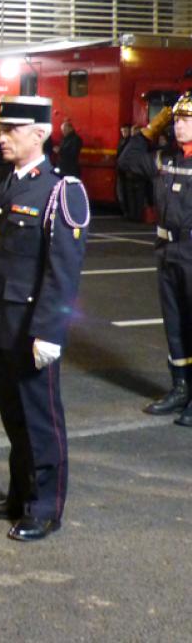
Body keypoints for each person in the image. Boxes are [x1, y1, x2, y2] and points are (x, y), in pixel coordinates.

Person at [0, 95, 89, 541]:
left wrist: (50, 331)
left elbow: (62, 270)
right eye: (1, 129)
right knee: (13, 416)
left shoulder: (60, 190)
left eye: (11, 130)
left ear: (40, 133)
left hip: (31, 325)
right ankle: (19, 495)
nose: (2, 137)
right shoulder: (8, 181)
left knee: (40, 418)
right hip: (0, 317)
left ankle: (46, 507)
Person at [118, 95, 192, 423]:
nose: (179, 125)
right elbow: (128, 161)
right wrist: (151, 128)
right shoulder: (164, 158)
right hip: (167, 253)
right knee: (175, 326)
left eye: (186, 120)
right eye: (176, 120)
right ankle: (181, 389)